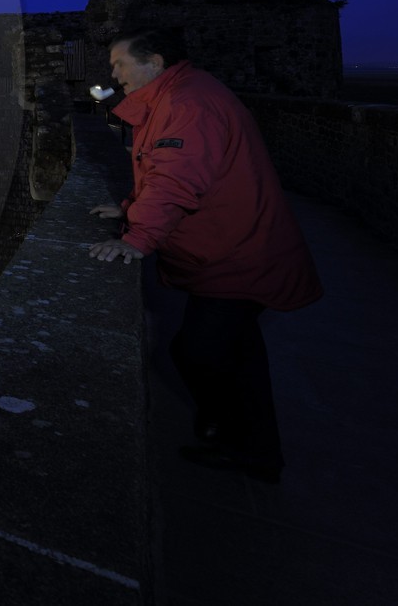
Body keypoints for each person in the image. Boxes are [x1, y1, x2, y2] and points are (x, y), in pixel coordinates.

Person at [88, 27, 322, 484]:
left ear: (153, 62)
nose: (113, 73)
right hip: (233, 247)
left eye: (119, 63)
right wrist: (128, 208)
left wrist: (135, 239)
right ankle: (249, 443)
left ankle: (242, 444)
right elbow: (165, 170)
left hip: (236, 253)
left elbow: (177, 179)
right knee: (235, 354)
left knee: (201, 351)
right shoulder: (182, 96)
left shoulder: (188, 105)